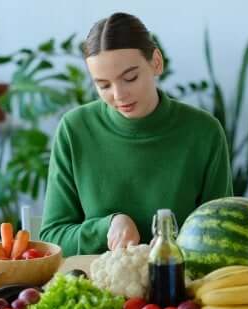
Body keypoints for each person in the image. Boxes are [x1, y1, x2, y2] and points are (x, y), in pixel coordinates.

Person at [39, 12, 233, 257]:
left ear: (156, 62)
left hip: (181, 288)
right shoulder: (74, 129)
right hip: (98, 287)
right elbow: (53, 237)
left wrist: (173, 250)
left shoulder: (204, 132)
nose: (119, 95)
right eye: (104, 85)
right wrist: (106, 227)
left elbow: (221, 236)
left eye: (130, 78)